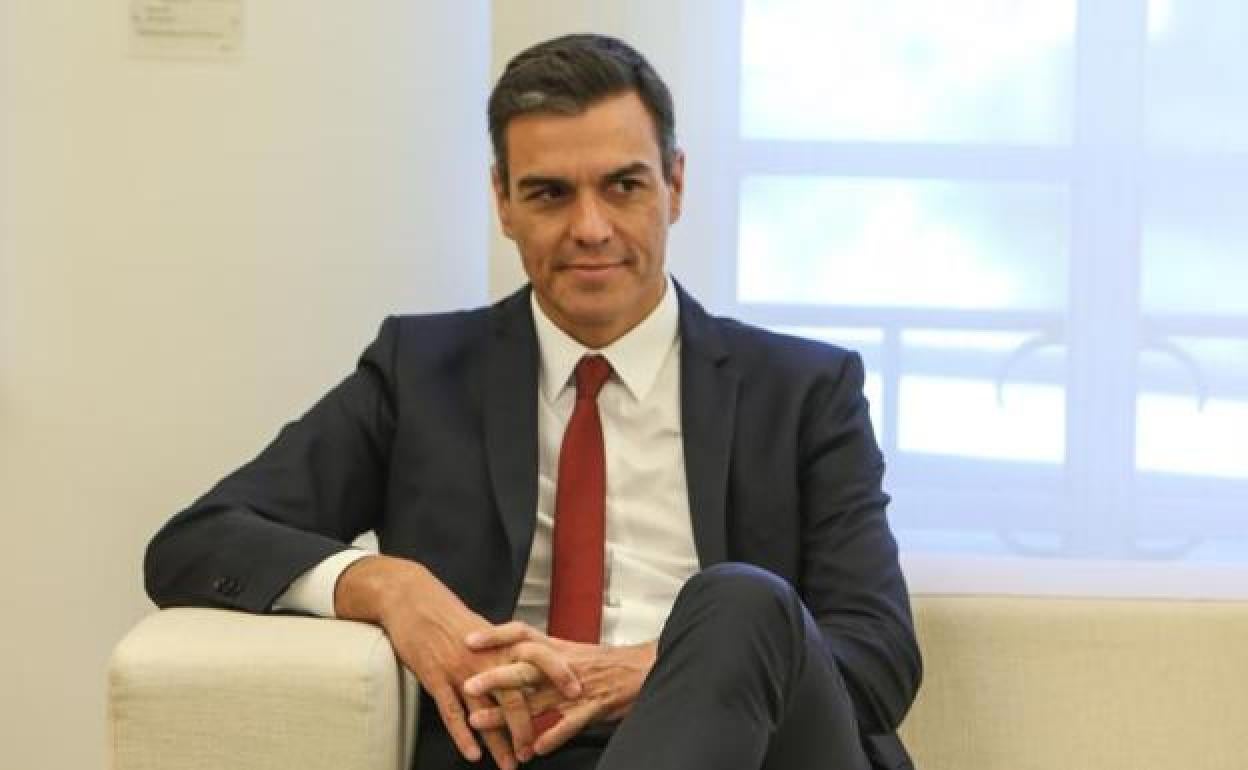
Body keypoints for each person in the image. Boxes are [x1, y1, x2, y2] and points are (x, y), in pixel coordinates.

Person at [144, 33, 921, 770]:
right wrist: (386, 584)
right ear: (503, 201)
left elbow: (879, 654)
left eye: (623, 186)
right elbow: (198, 540)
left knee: (741, 603)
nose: (591, 228)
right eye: (550, 194)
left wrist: (662, 668)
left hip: (755, 753)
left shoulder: (804, 390)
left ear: (675, 185)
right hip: (509, 750)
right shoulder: (421, 373)